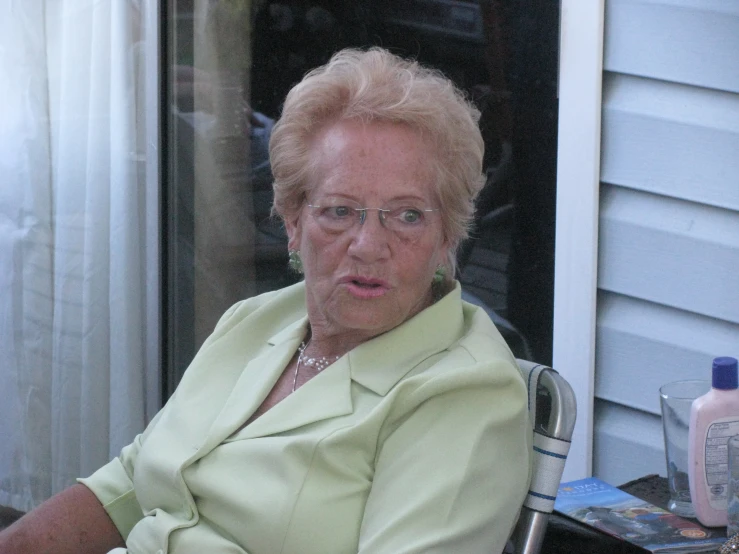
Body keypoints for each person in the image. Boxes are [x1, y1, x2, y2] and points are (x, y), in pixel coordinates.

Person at [0, 47, 531, 554]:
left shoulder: (466, 396)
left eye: (408, 214)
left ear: (447, 238)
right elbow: (128, 485)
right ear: (294, 222)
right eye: (340, 211)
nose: (370, 246)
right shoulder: (257, 321)